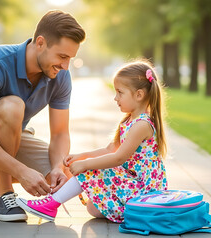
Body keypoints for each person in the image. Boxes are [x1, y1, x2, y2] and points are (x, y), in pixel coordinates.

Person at [0, 10, 86, 222]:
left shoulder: (61, 76)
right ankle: (4, 193)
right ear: (40, 43)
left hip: (12, 135)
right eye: (62, 56)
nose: (65, 66)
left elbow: (59, 134)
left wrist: (57, 166)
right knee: (12, 106)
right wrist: (21, 172)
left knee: (60, 179)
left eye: (70, 58)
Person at [16, 60, 168, 223]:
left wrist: (86, 164)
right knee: (93, 207)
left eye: (120, 92)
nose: (115, 98)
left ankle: (50, 205)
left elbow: (118, 158)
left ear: (139, 95)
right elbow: (110, 149)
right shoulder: (129, 120)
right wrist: (81, 156)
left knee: (90, 170)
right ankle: (55, 204)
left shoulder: (142, 125)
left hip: (142, 189)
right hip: (131, 183)